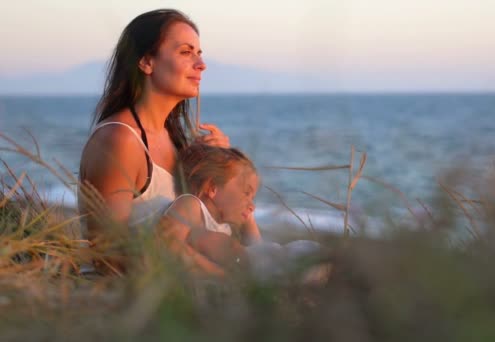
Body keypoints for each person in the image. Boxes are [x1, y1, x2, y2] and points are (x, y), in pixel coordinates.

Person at [78, 9, 258, 274]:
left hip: (180, 298)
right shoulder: (120, 140)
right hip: (126, 303)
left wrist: (227, 174)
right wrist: (225, 281)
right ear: (146, 62)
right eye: (186, 52)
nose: (201, 64)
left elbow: (227, 233)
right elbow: (109, 255)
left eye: (199, 53)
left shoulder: (176, 142)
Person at [161, 143, 326, 281]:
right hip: (258, 270)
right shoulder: (190, 203)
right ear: (212, 188)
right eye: (246, 193)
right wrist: (223, 277)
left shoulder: (223, 225)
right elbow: (168, 244)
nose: (252, 205)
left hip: (264, 264)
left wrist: (246, 215)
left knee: (308, 257)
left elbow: (256, 245)